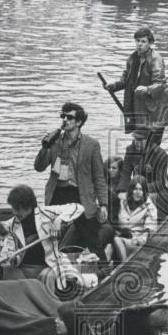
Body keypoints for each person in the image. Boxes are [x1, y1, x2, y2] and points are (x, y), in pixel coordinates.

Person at [33, 102, 109, 261]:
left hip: (80, 194)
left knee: (90, 236)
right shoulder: (55, 142)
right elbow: (39, 167)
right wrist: (45, 148)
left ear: (79, 122)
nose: (65, 120)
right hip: (58, 192)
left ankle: (103, 269)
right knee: (48, 234)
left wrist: (103, 204)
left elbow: (99, 177)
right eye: (63, 116)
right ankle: (48, 267)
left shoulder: (91, 145)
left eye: (69, 117)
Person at [4, 184, 84, 292]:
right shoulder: (11, 226)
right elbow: (13, 255)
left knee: (47, 276)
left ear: (28, 206)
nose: (14, 212)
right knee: (8, 271)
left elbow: (78, 207)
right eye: (13, 208)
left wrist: (58, 221)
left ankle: (48, 303)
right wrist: (12, 257)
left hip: (47, 266)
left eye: (17, 208)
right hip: (24, 268)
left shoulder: (46, 213)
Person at [105, 27, 168, 141]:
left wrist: (147, 89)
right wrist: (113, 85)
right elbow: (125, 80)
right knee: (139, 144)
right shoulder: (132, 58)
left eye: (143, 41)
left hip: (155, 112)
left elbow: (160, 84)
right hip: (138, 109)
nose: (139, 44)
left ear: (150, 43)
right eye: (137, 41)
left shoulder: (156, 59)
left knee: (151, 148)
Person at [119, 126, 168, 221]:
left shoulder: (161, 155)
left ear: (149, 141)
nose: (136, 143)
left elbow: (160, 183)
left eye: (140, 140)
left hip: (156, 189)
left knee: (154, 198)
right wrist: (122, 191)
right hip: (137, 187)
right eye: (135, 139)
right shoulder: (130, 150)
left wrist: (143, 191)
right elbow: (126, 173)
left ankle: (159, 219)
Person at [114, 177, 157, 259]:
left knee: (117, 240)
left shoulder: (150, 207)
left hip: (136, 241)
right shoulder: (122, 201)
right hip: (121, 235)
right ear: (130, 190)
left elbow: (150, 229)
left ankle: (124, 266)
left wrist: (142, 239)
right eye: (135, 189)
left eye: (140, 189)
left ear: (144, 192)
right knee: (109, 245)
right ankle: (101, 269)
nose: (138, 192)